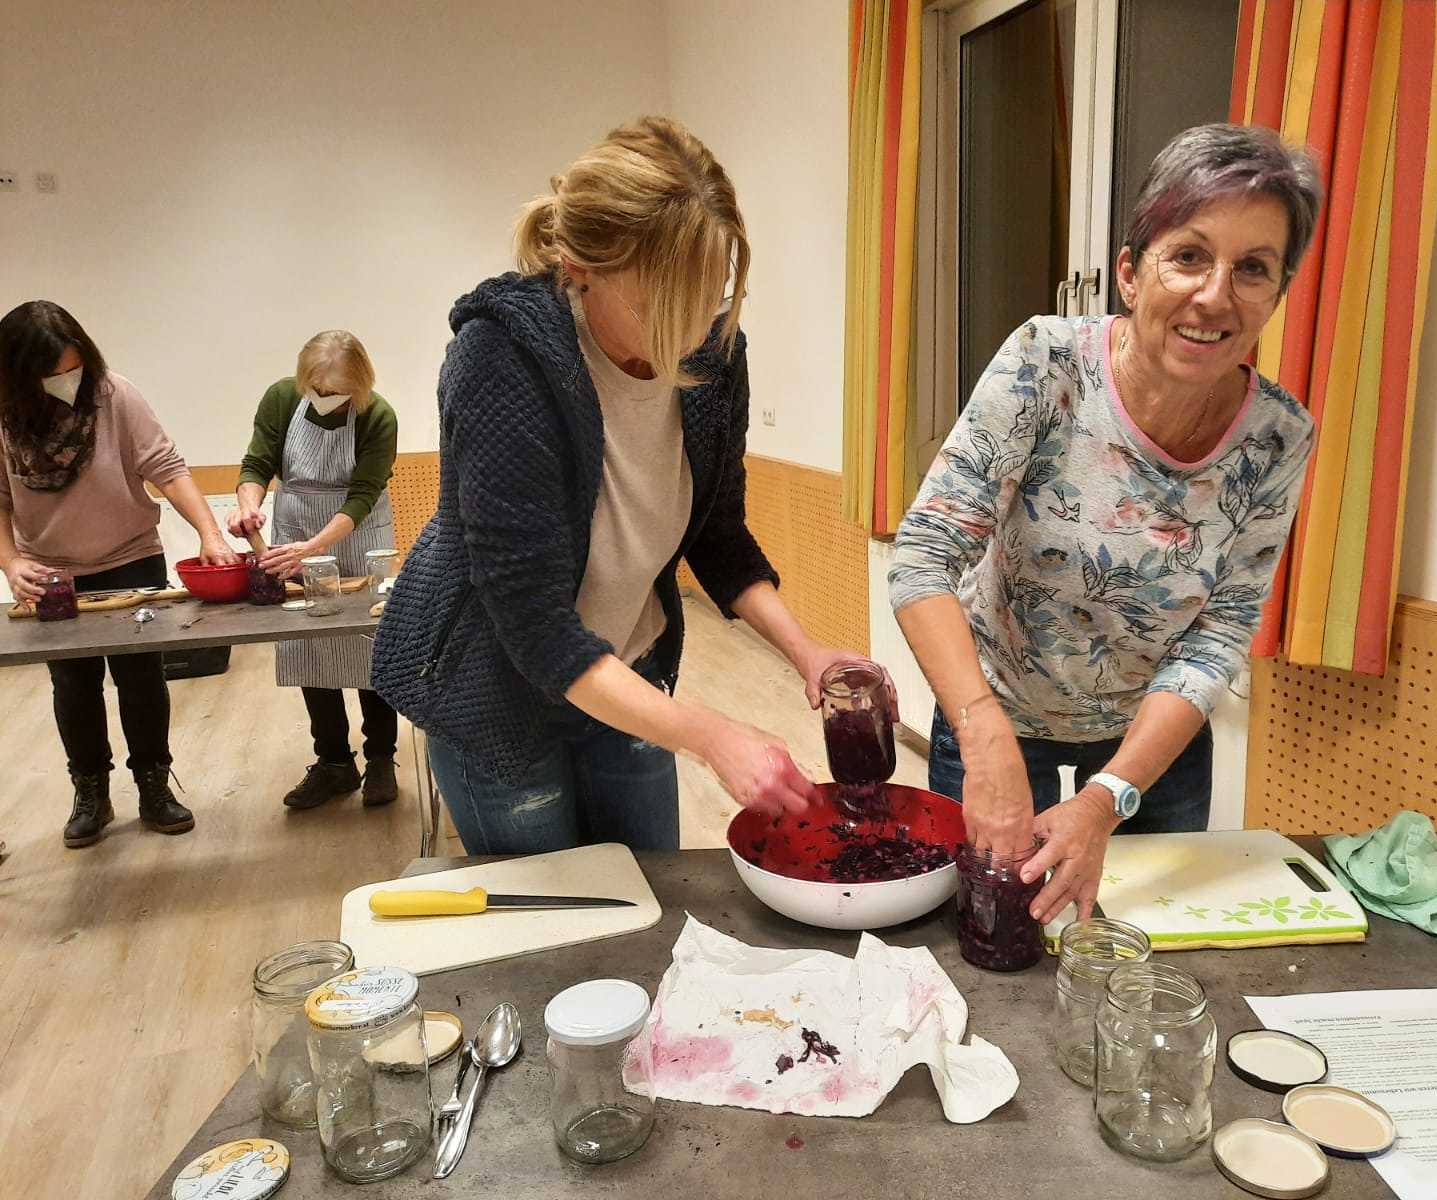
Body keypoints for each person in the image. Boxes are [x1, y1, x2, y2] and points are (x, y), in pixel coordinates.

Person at [373, 116, 873, 854]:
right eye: (664, 304)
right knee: (566, 917)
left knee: (651, 895)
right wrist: (712, 734)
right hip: (498, 694)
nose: (694, 330)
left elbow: (718, 532)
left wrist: (805, 650)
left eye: (710, 295)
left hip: (628, 674)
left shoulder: (712, 353)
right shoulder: (501, 359)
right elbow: (537, 629)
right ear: (580, 266)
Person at [890, 124, 1323, 924]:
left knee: (1133, 943)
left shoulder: (1279, 436)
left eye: (1252, 268)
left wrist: (1106, 797)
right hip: (996, 712)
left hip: (1151, 747)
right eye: (1188, 256)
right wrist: (982, 733)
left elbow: (1221, 631)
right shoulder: (1045, 363)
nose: (1215, 295)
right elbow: (923, 556)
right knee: (990, 935)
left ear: (1276, 294)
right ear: (1130, 272)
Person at [0, 300, 239, 847]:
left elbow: (167, 469)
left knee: (141, 678)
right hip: (53, 574)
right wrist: (11, 562)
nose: (68, 381)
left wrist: (209, 533)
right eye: (53, 373)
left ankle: (154, 785)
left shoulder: (114, 395)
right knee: (73, 684)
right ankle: (91, 792)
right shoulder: (5, 418)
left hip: (132, 557)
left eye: (74, 367)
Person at [229, 332, 400, 809]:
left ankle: (381, 759)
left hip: (358, 537)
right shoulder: (282, 398)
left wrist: (315, 548)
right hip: (295, 527)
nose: (324, 399)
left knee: (371, 650)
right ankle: (334, 763)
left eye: (336, 392)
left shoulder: (378, 416)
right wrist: (248, 503)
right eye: (317, 389)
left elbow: (363, 495)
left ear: (360, 385)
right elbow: (257, 462)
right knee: (311, 650)